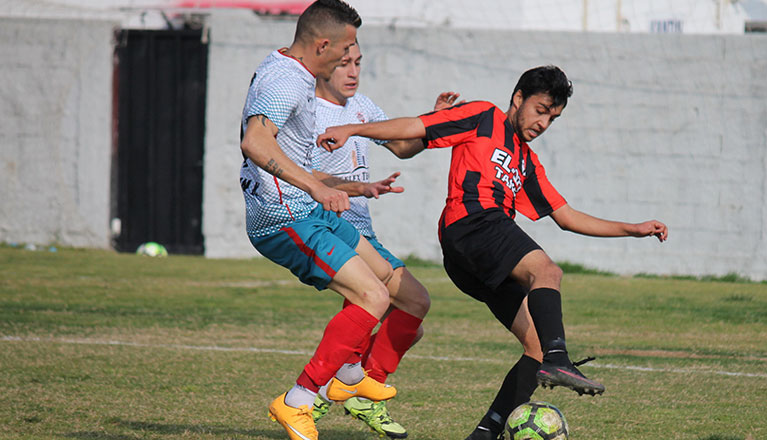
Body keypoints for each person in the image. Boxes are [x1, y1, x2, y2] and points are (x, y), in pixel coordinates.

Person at [317, 65, 669, 440]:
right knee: (547, 271)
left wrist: (631, 229)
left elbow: (565, 217)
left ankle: (486, 432)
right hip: (471, 223)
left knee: (534, 346)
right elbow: (414, 128)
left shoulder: (527, 161)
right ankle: (559, 358)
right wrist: (352, 129)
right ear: (518, 98)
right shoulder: (483, 116)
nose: (544, 123)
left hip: (469, 257)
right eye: (540, 109)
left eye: (553, 117)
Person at [238, 2, 407, 440]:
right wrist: (315, 188)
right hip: (283, 217)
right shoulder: (287, 82)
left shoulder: (291, 71)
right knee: (372, 295)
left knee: (388, 280)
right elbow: (255, 141)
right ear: (324, 44)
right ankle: (298, 400)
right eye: (348, 47)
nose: (352, 57)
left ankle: (350, 373)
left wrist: (348, 188)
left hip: (309, 209)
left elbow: (290, 155)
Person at [307, 42, 461, 439]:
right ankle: (317, 396)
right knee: (398, 306)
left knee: (406, 321)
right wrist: (356, 188)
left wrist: (433, 121)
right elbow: (301, 176)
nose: (353, 72)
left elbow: (401, 146)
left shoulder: (363, 108)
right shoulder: (307, 112)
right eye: (344, 64)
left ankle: (341, 393)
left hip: (363, 232)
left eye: (358, 63)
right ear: (323, 65)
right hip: (330, 226)